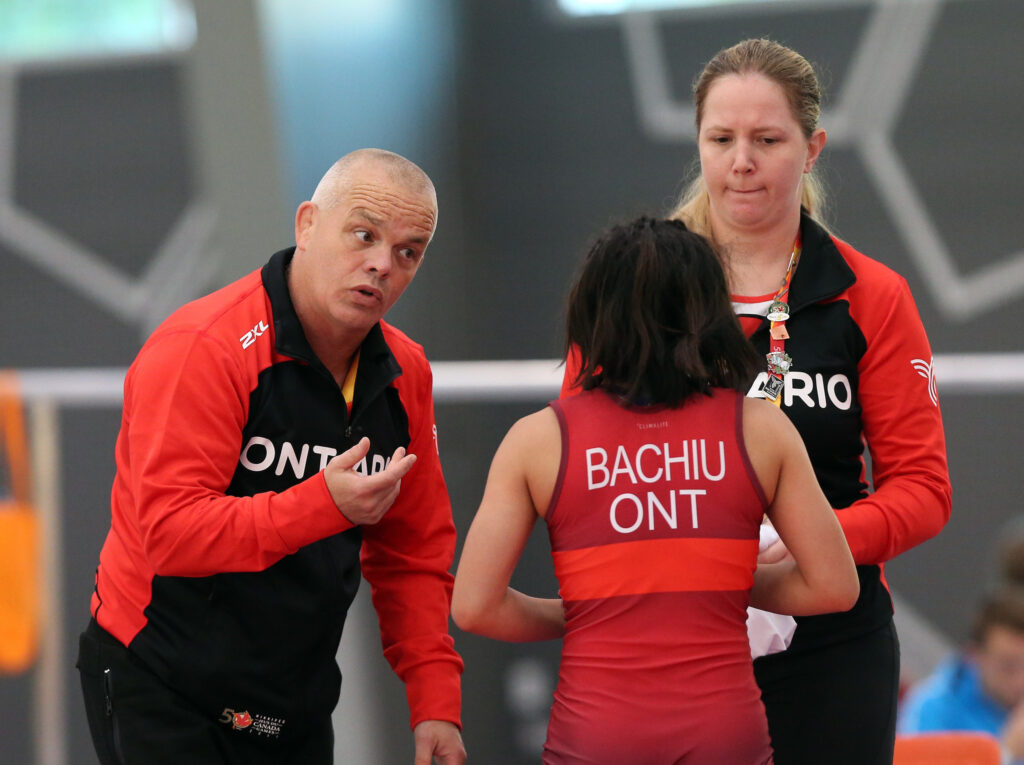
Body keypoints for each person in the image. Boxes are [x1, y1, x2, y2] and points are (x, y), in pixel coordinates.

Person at [561, 38, 952, 764]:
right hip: (670, 643)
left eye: (767, 139)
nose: (741, 161)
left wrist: (814, 538)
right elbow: (578, 462)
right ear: (699, 144)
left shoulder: (871, 296)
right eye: (722, 138)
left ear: (812, 148)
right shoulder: (635, 288)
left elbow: (924, 490)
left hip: (832, 646)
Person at [75, 149, 466, 765]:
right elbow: (170, 535)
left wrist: (435, 701)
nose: (380, 265)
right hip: (159, 678)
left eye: (407, 252)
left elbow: (413, 553)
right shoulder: (204, 348)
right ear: (307, 224)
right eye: (363, 234)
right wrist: (321, 504)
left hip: (289, 698)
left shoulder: (405, 371)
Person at [453, 216, 859, 764]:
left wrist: (593, 609)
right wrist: (717, 583)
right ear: (709, 314)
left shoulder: (537, 441)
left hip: (596, 736)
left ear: (591, 314)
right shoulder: (759, 430)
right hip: (725, 734)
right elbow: (834, 586)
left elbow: (475, 607)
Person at [898, 587, 1024, 764]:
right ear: (975, 657)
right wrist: (1006, 753)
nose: (1020, 681)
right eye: (1008, 667)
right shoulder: (931, 709)